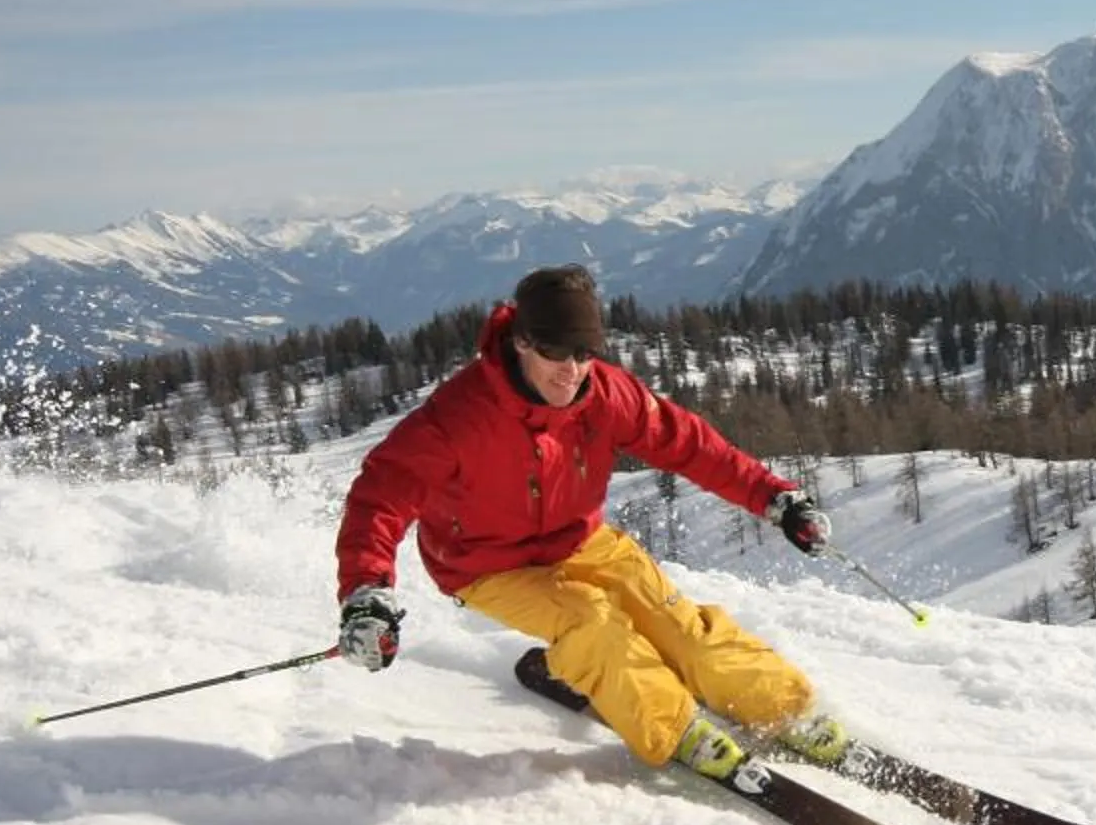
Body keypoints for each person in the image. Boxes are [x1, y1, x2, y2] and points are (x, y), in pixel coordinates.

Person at [331, 264, 844, 781]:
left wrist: (776, 498)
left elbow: (689, 445)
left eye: (584, 353)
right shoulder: (459, 417)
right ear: (522, 343)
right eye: (556, 352)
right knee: (592, 621)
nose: (571, 370)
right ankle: (674, 728)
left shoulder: (604, 395)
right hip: (485, 564)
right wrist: (366, 592)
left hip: (580, 541)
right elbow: (380, 498)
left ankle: (785, 707)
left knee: (678, 627)